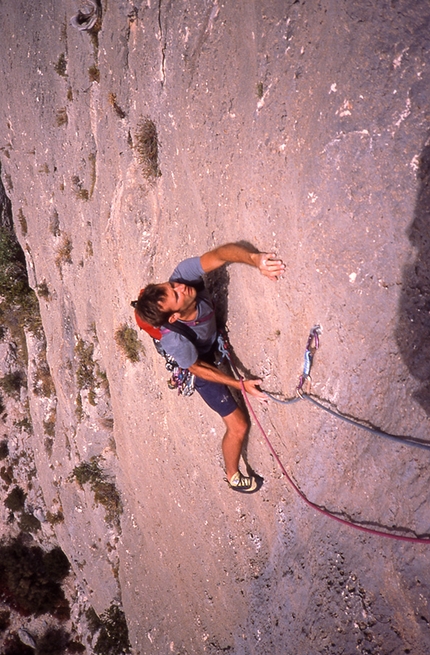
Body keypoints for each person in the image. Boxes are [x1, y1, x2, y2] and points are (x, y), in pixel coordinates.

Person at [135, 243, 285, 493]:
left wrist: (255, 259)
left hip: (208, 340)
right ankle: (233, 475)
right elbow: (195, 367)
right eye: (176, 294)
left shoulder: (182, 275)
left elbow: (219, 255)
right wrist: (240, 385)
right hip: (199, 362)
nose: (181, 286)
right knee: (239, 426)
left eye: (172, 286)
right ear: (173, 317)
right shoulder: (175, 339)